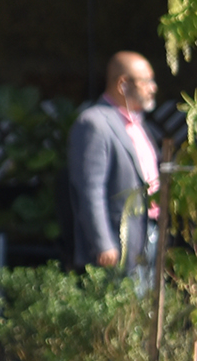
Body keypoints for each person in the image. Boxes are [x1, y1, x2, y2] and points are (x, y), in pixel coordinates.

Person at [70, 51, 164, 284]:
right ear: (123, 84)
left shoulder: (140, 125)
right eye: (146, 81)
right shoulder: (94, 123)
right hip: (118, 240)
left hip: (149, 233)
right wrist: (102, 242)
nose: (153, 88)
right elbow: (90, 189)